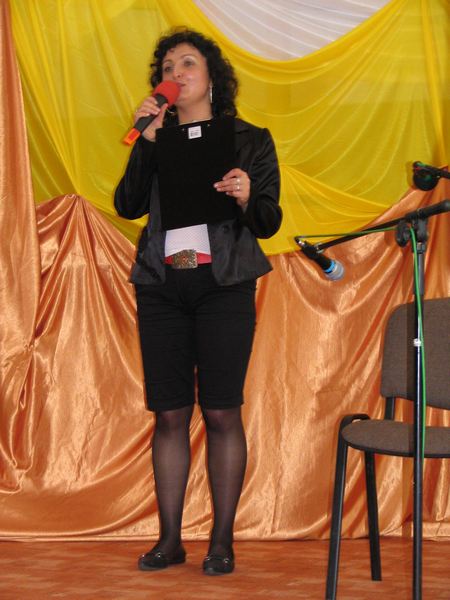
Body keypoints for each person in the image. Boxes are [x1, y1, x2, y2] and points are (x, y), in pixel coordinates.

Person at [114, 27, 281, 576]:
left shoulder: (249, 139)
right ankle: (170, 540)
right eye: (167, 67)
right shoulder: (156, 138)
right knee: (169, 413)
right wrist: (146, 141)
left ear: (212, 77)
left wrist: (247, 195)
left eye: (187, 63)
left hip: (224, 284)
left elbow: (268, 221)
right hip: (163, 286)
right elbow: (128, 204)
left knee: (221, 410)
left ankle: (222, 541)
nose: (175, 74)